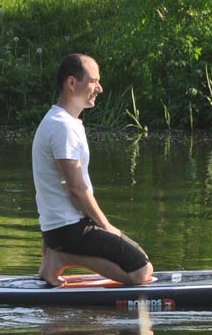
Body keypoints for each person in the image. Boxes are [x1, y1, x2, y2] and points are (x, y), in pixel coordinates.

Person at [33, 54, 153, 286]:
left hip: (61, 229)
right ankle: (60, 257)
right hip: (68, 228)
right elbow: (76, 188)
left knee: (139, 262)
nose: (99, 87)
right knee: (141, 272)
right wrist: (105, 226)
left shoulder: (62, 122)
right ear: (72, 83)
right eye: (93, 81)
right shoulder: (62, 127)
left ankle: (54, 257)